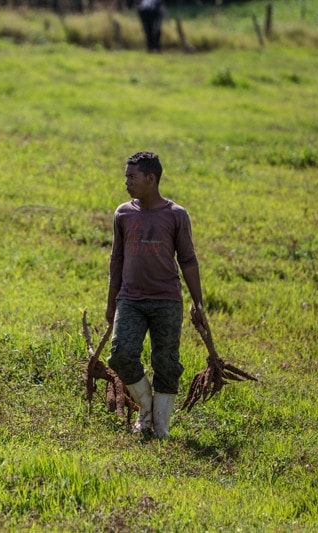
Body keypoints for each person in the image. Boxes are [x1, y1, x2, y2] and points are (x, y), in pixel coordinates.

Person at [105, 151, 208, 439]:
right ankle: (146, 407)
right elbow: (117, 258)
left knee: (166, 363)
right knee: (121, 355)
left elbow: (188, 260)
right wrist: (111, 301)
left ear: (151, 179)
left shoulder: (176, 215)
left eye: (132, 177)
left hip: (166, 301)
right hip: (131, 299)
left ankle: (160, 428)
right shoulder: (123, 213)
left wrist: (198, 304)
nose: (126, 182)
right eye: (126, 176)